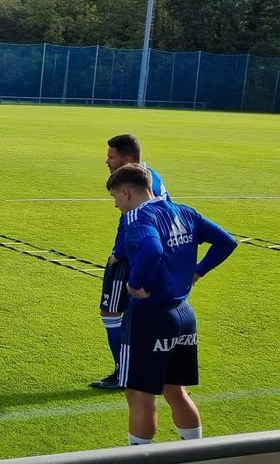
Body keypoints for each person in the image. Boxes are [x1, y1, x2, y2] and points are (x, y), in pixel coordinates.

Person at [105, 164, 236, 446]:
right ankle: (194, 452)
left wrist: (135, 284)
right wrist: (199, 270)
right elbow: (226, 241)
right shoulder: (184, 211)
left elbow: (152, 248)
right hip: (184, 314)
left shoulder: (137, 218)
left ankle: (140, 455)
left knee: (139, 396)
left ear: (126, 192)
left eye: (115, 196)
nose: (115, 204)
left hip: (149, 318)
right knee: (176, 391)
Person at [92, 134, 171, 390]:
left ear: (126, 159)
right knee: (129, 314)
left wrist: (121, 252)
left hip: (132, 257)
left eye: (111, 156)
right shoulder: (149, 177)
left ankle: (124, 373)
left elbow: (143, 220)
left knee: (112, 312)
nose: (107, 160)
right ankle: (134, 369)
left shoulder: (141, 187)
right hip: (143, 254)